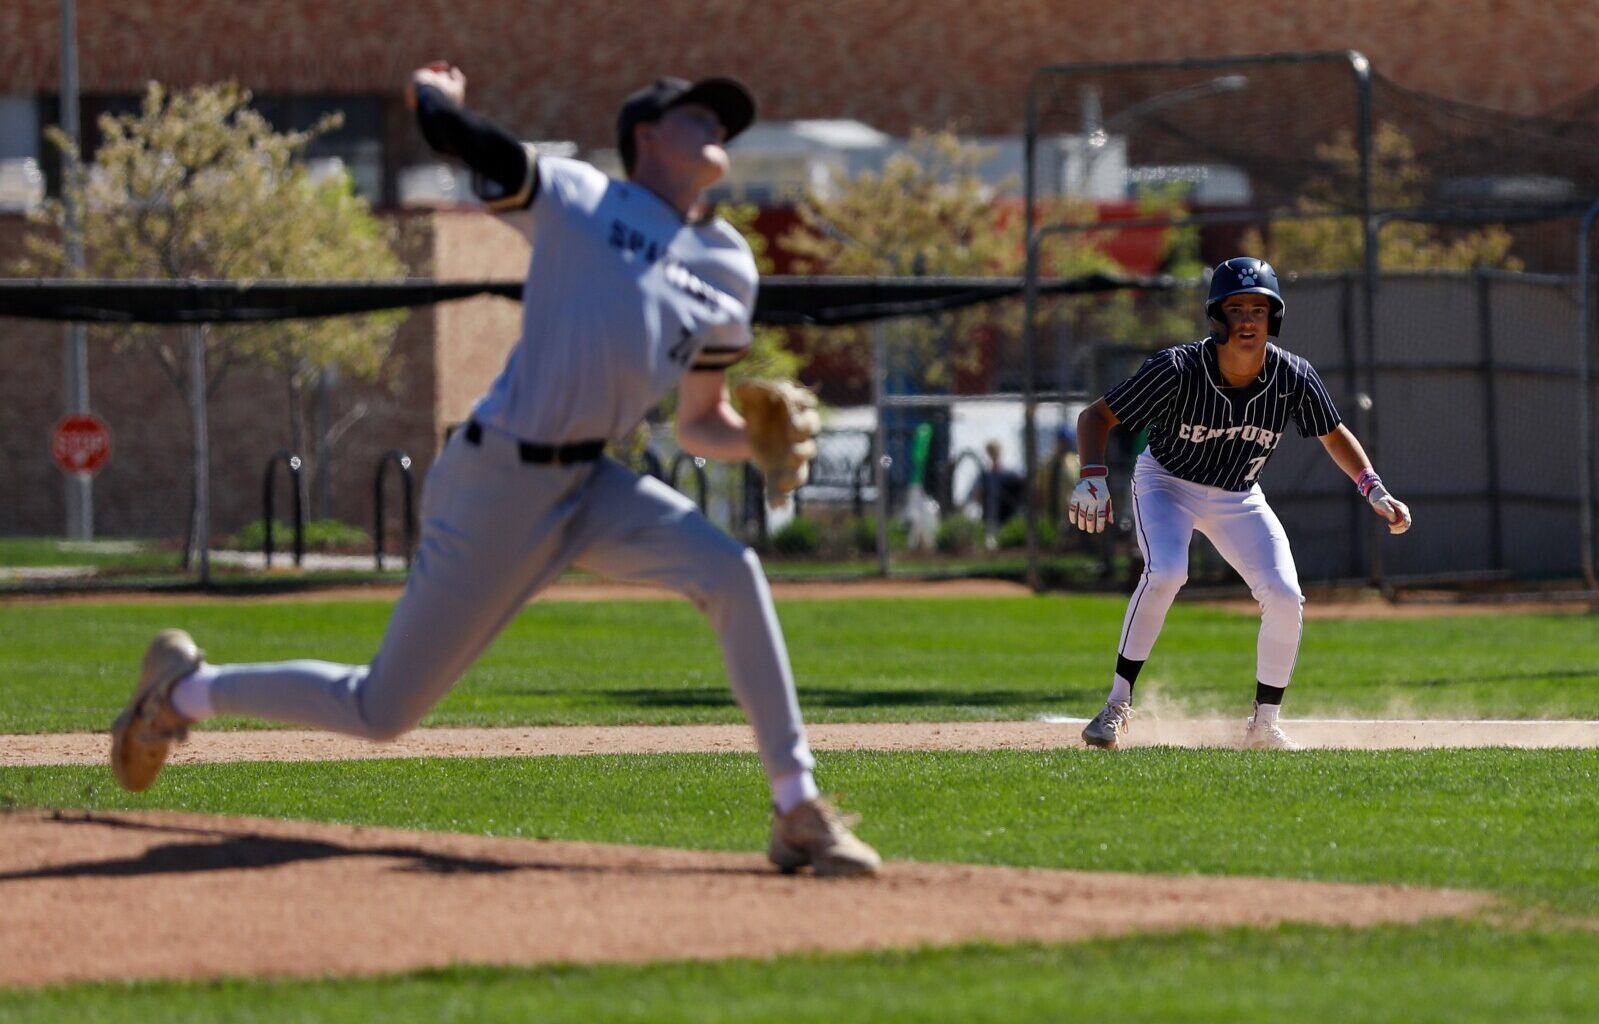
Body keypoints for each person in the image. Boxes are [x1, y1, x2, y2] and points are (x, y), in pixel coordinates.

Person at [109, 64, 880, 877]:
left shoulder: (727, 262)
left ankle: (797, 808)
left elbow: (698, 420)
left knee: (732, 571)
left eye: (724, 122)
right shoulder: (583, 199)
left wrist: (754, 442)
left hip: (592, 487)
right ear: (646, 136)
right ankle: (182, 692)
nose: (717, 129)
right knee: (379, 711)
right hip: (499, 481)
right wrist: (435, 102)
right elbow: (477, 147)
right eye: (698, 116)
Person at [1067, 257, 1412, 751]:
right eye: (1237, 309)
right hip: (1167, 483)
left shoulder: (1293, 376)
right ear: (1217, 317)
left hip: (1238, 495)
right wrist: (1092, 476)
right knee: (1166, 573)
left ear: (1274, 318)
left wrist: (1372, 486)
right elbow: (1095, 417)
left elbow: (1333, 433)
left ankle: (1264, 725)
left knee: (1285, 594)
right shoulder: (1177, 368)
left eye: (1259, 309)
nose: (1248, 321)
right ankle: (1116, 705)